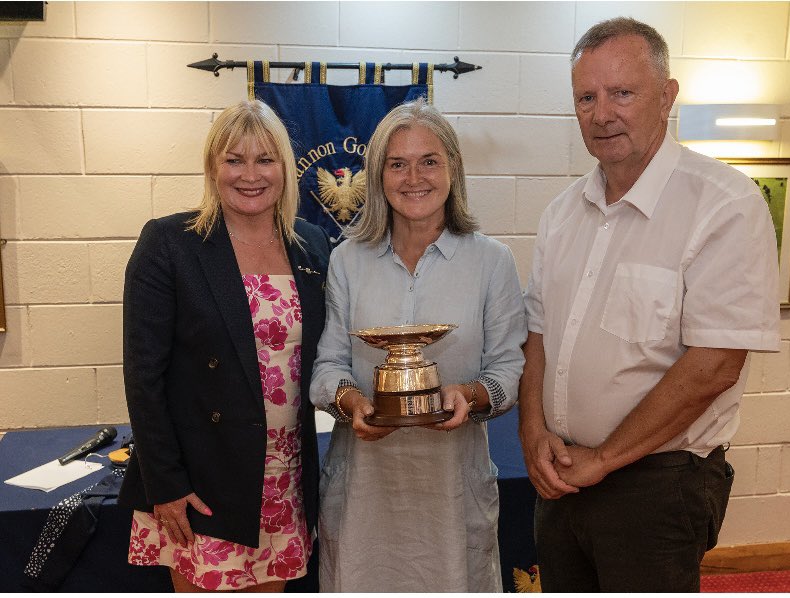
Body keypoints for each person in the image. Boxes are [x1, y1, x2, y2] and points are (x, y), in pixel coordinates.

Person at [518, 17, 781, 593]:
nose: (601, 112)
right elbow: (538, 336)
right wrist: (533, 433)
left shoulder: (724, 206)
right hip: (561, 478)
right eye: (586, 97)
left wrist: (605, 458)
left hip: (658, 486)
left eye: (622, 93)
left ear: (667, 96)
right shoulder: (562, 213)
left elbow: (714, 365)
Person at [310, 98, 526, 592]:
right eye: (397, 163)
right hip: (365, 492)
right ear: (377, 174)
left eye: (429, 161)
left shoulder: (492, 262)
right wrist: (351, 403)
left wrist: (468, 396)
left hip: (451, 493)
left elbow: (509, 370)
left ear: (452, 169)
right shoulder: (347, 261)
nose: (414, 178)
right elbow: (328, 367)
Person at [118, 99, 332, 592]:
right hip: (203, 481)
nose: (250, 175)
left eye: (265, 159)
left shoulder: (311, 243)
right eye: (234, 160)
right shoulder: (171, 243)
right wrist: (165, 485)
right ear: (213, 167)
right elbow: (143, 378)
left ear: (285, 167)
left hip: (285, 475)